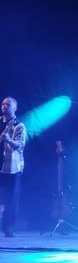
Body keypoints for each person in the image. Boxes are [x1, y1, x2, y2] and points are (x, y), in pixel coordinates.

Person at [0, 96, 27, 237]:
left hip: (12, 167)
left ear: (14, 108)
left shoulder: (19, 125)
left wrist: (8, 139)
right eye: (3, 104)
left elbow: (20, 145)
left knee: (12, 199)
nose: (4, 106)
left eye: (8, 105)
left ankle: (8, 227)